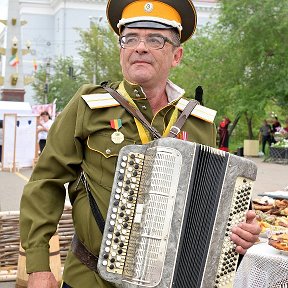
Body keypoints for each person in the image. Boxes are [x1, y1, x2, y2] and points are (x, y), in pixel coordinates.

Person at [20, 1, 261, 287]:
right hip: (92, 279)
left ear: (177, 55)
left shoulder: (199, 122)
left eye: (155, 39)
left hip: (176, 280)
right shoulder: (88, 106)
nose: (140, 47)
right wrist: (38, 266)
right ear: (121, 50)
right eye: (130, 38)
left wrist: (240, 232)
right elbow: (45, 182)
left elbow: (215, 208)